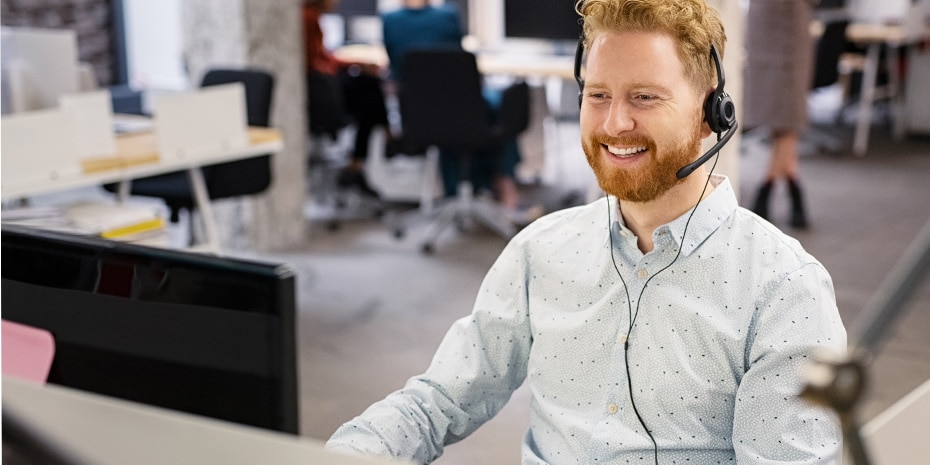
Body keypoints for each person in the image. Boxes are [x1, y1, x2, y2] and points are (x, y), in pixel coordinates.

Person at [326, 0, 847, 463]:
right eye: (597, 95)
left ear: (711, 110)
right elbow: (438, 400)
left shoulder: (783, 289)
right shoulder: (540, 251)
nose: (614, 123)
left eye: (644, 97)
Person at [381, 0, 542, 224]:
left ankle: (459, 191)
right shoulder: (447, 16)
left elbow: (396, 68)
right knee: (496, 106)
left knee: (456, 118)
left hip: (419, 117)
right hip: (461, 111)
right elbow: (453, 60)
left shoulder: (389, 21)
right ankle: (504, 186)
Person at [303, 0, 389, 197]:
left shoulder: (312, 17)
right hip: (323, 96)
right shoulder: (308, 18)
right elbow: (317, 63)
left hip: (325, 88)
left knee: (369, 91)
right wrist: (355, 62)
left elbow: (322, 58)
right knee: (369, 92)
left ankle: (359, 162)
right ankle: (385, 138)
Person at [744, 0, 816, 228]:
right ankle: (779, 188)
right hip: (783, 27)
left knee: (784, 120)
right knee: (786, 118)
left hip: (770, 24)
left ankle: (769, 190)